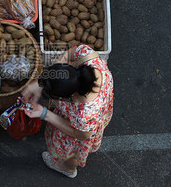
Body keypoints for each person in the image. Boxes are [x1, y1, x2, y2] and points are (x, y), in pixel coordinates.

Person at [21, 45, 113, 178]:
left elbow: (81, 135)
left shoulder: (85, 116)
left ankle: (67, 168)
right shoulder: (87, 57)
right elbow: (68, 54)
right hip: (99, 112)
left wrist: (44, 113)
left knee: (74, 152)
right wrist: (40, 82)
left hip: (81, 131)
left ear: (70, 97)